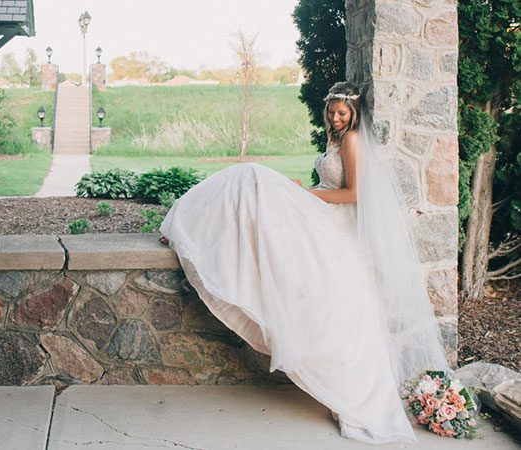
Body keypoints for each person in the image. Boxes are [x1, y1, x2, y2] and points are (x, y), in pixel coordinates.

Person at [159, 81, 450, 444]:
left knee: (252, 178)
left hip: (335, 220)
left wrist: (303, 193)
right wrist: (306, 189)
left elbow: (352, 193)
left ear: (354, 113)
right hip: (322, 210)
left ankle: (188, 225)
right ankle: (189, 224)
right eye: (331, 111)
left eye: (342, 112)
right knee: (249, 180)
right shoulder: (335, 140)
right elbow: (329, 183)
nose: (335, 117)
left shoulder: (353, 141)